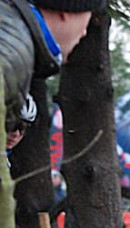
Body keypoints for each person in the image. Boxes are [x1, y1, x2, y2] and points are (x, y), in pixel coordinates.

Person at [1, 0, 102, 148]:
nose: (84, 32)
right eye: (88, 15)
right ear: (66, 12)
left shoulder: (12, 37)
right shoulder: (12, 56)